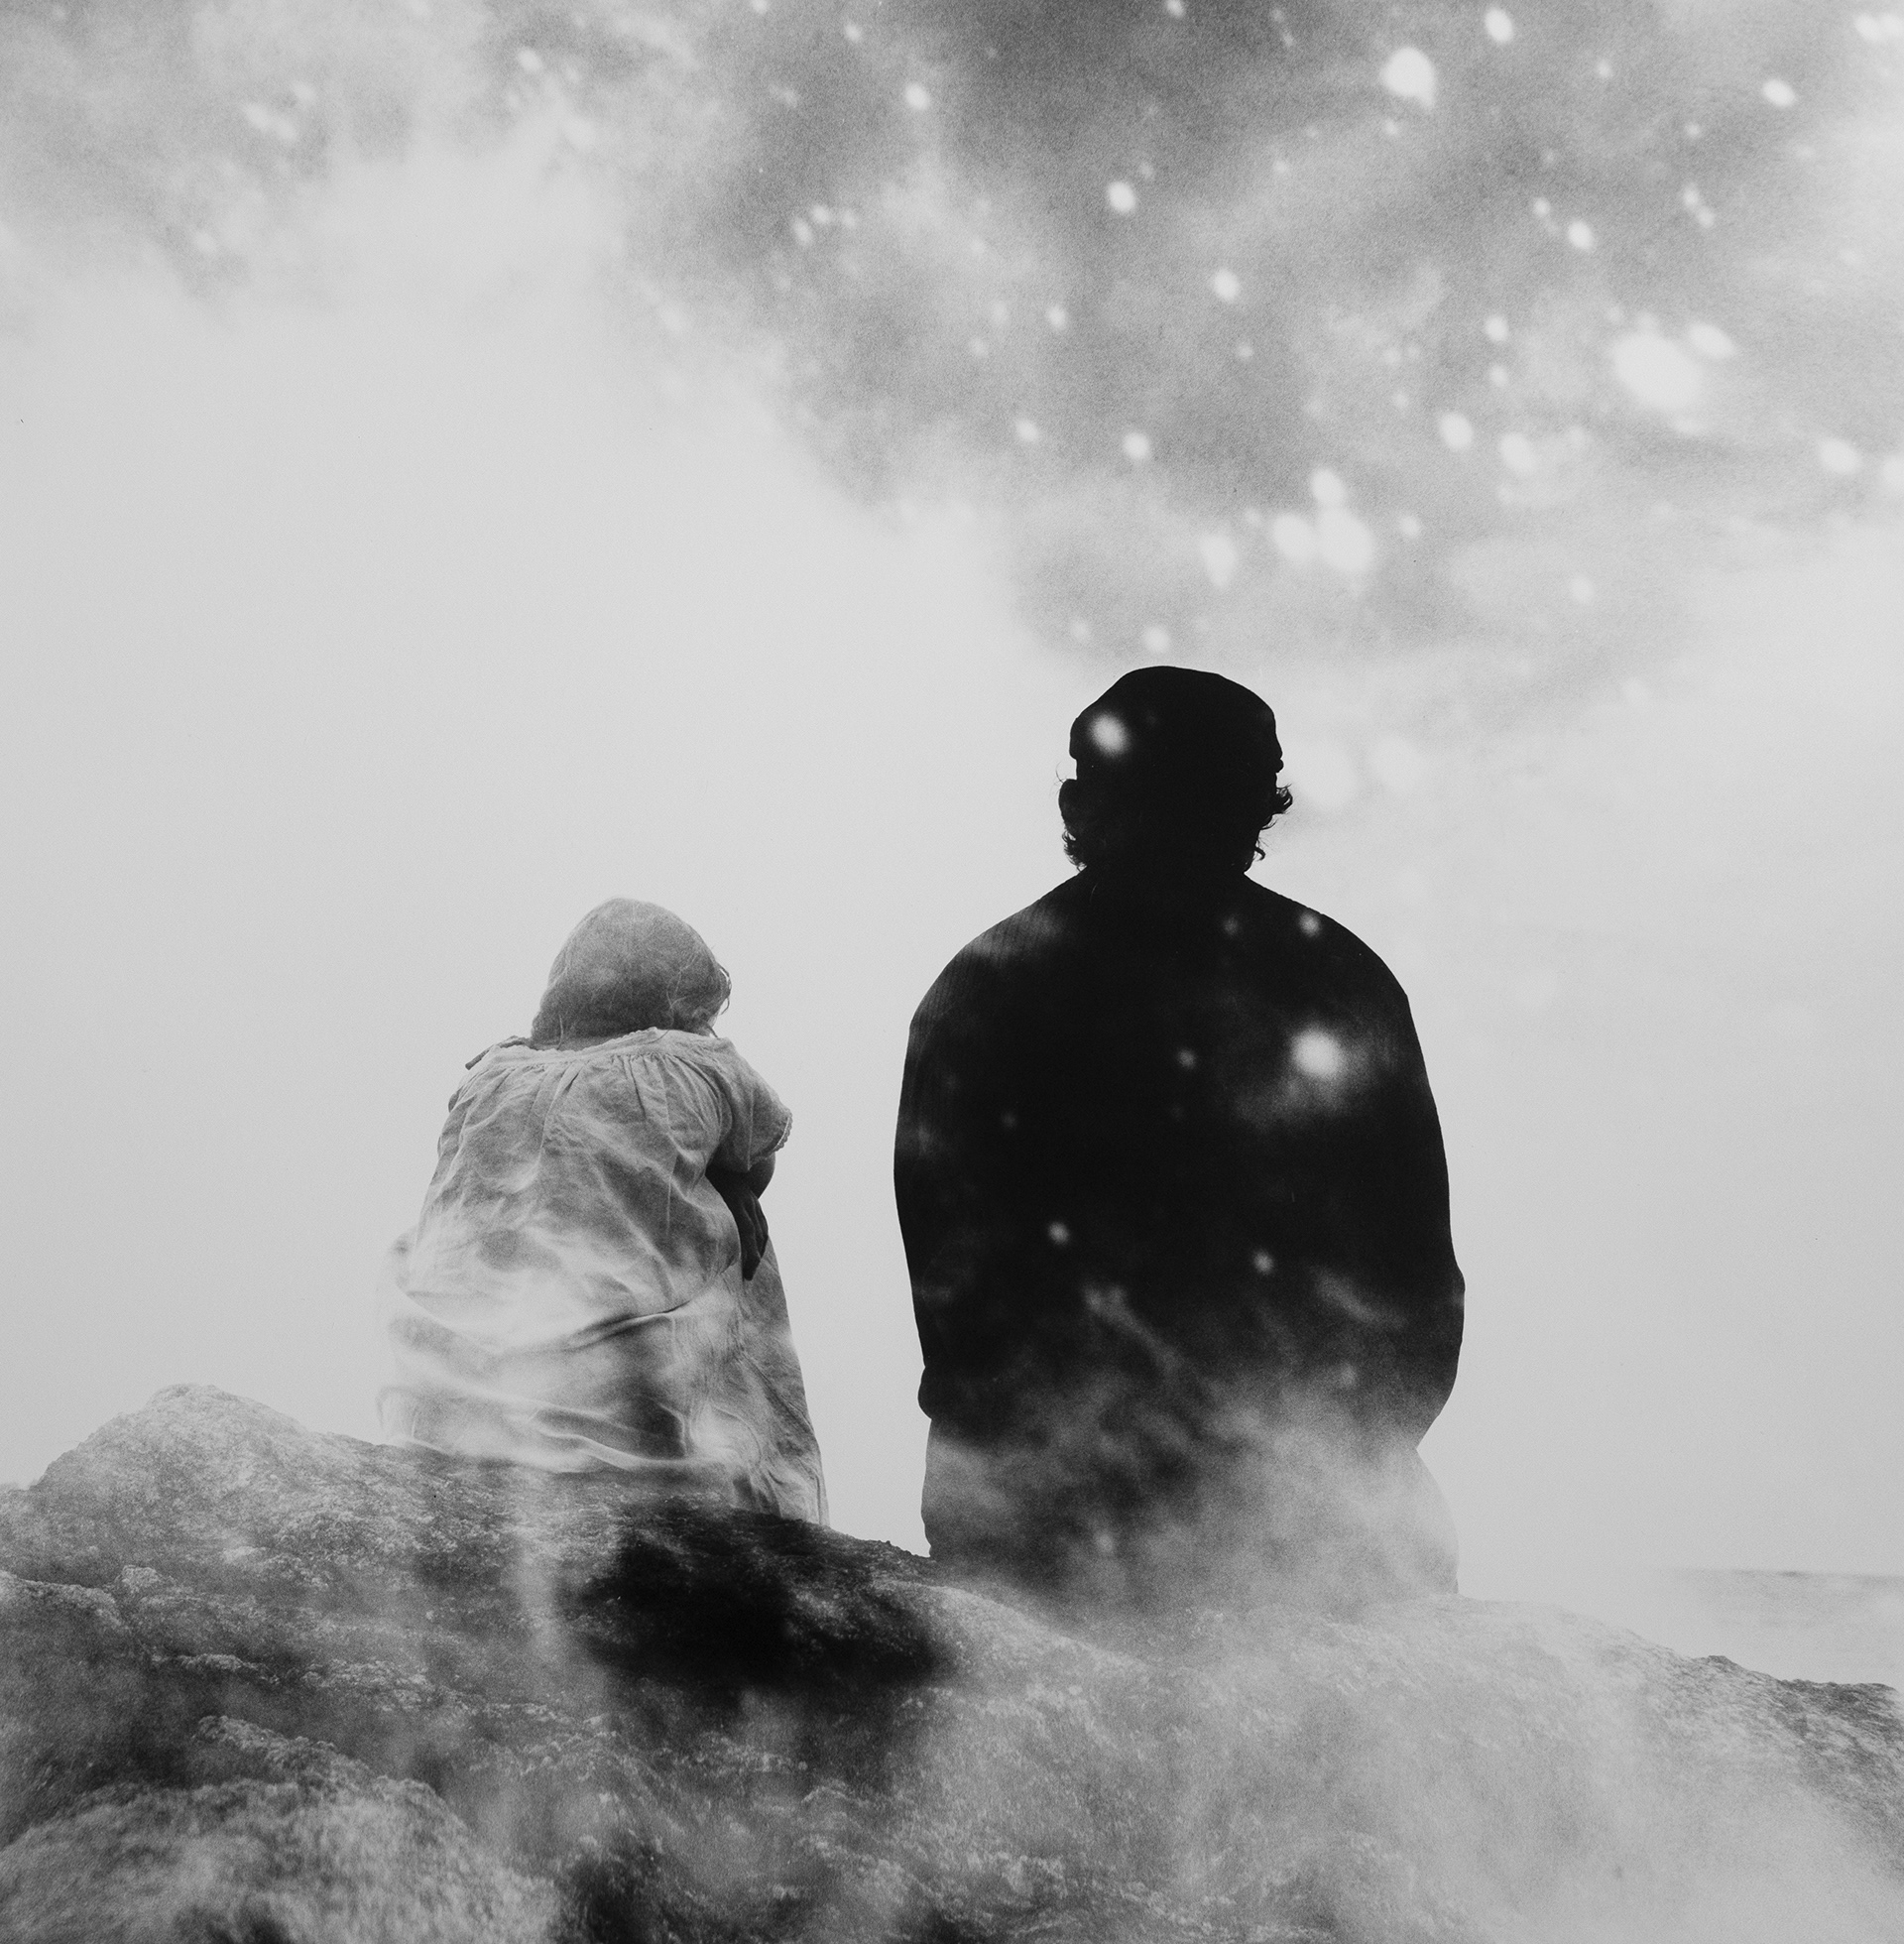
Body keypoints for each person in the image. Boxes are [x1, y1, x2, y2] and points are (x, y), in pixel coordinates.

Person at [893, 668, 1463, 1610]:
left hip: (1041, 1534)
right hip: (1319, 1534)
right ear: (1259, 808)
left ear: (1079, 806)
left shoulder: (983, 989)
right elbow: (1418, 1286)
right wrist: (1334, 1468)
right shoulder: (1344, 983)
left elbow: (957, 1298)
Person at [379, 899, 826, 1522]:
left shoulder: (491, 1075)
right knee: (735, 1217)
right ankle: (766, 1492)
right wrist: (731, 1181)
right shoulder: (696, 1064)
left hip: (444, 1401)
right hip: (609, 1411)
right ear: (686, 999)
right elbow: (760, 1163)